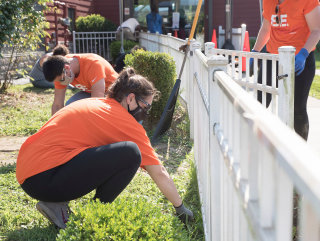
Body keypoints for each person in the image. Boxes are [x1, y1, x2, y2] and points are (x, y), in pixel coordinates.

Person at [16, 67, 194, 229]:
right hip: (44, 178)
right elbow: (159, 172)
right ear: (130, 98)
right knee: (131, 153)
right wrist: (180, 208)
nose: (145, 112)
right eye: (145, 106)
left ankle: (55, 204)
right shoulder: (125, 122)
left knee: (114, 152)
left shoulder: (97, 104)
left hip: (29, 173)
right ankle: (94, 214)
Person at [251, 0, 320, 140]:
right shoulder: (268, 1)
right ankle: (254, 145)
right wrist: (255, 51)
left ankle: (300, 152)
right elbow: (266, 28)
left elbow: (317, 30)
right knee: (259, 102)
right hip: (273, 58)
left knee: (298, 110)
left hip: (300, 61)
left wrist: (303, 54)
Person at [43, 53, 119, 115]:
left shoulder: (93, 64)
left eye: (62, 80)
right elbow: (57, 105)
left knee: (86, 112)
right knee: (70, 106)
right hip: (92, 93)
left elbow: (96, 104)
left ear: (67, 68)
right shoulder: (59, 71)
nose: (61, 83)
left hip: (115, 93)